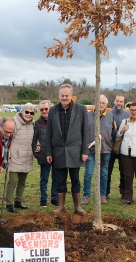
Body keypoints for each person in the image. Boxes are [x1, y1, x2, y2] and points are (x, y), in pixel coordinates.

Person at [46, 84, 89, 216]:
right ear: (59, 96)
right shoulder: (53, 110)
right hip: (58, 151)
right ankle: (61, 206)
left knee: (75, 179)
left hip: (75, 151)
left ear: (71, 96)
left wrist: (85, 151)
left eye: (67, 95)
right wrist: (48, 152)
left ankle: (77, 206)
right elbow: (49, 133)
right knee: (60, 180)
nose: (64, 98)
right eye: (62, 95)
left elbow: (85, 131)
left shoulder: (81, 109)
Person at [81, 95, 114, 205]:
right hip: (90, 150)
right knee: (88, 173)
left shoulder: (110, 116)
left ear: (106, 104)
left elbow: (114, 132)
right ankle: (86, 195)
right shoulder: (87, 115)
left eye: (103, 103)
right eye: (99, 102)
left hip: (105, 150)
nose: (101, 105)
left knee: (104, 173)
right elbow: (82, 131)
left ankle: (102, 195)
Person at [5, 103, 36, 213]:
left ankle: (18, 201)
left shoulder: (33, 124)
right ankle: (9, 203)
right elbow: (7, 139)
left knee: (22, 182)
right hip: (14, 157)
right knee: (12, 181)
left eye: (31, 113)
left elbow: (35, 139)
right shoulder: (14, 122)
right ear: (22, 111)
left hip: (27, 156)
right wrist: (7, 156)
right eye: (26, 112)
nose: (28, 114)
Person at [32, 100, 58, 208]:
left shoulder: (56, 121)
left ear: (50, 108)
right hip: (43, 155)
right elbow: (34, 140)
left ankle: (54, 198)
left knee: (56, 178)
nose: (44, 111)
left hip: (56, 154)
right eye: (41, 109)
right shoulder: (37, 123)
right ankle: (43, 199)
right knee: (44, 178)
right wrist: (36, 153)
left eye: (46, 109)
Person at [107, 95, 130, 199]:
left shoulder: (127, 115)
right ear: (114, 101)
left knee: (124, 170)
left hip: (123, 146)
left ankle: (124, 192)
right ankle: (105, 192)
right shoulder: (109, 114)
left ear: (123, 102)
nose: (119, 103)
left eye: (121, 101)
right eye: (117, 101)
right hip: (110, 146)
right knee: (107, 170)